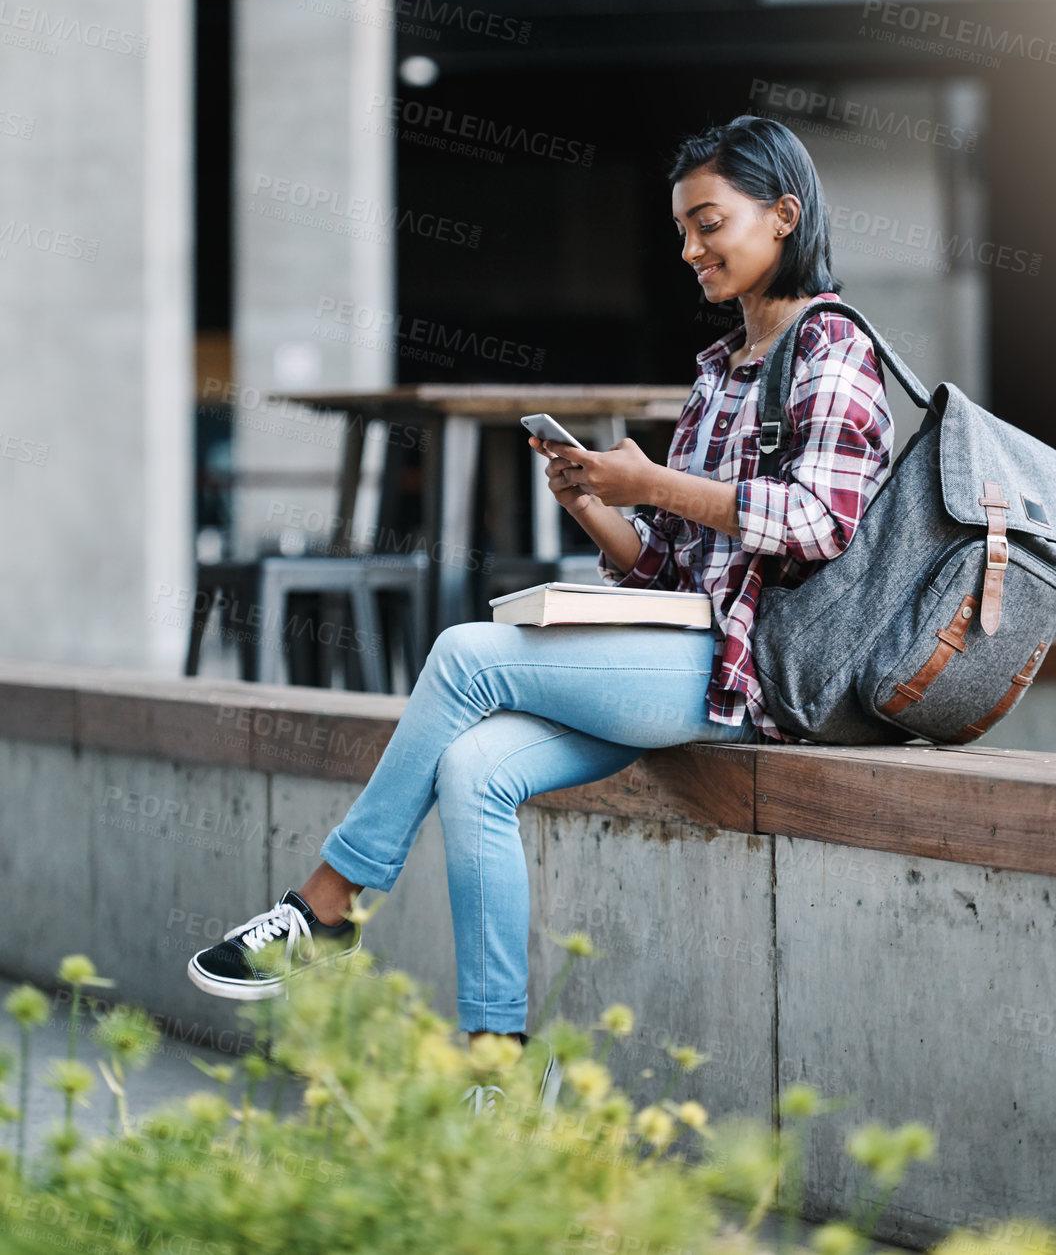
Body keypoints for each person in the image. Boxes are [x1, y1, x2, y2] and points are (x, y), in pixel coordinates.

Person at [185, 113, 894, 1085]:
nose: (689, 249)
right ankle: (500, 1067)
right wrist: (601, 505)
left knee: (465, 654)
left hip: (756, 679)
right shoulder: (716, 372)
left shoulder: (834, 349)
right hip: (684, 658)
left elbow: (821, 522)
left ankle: (325, 904)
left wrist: (654, 485)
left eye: (709, 223)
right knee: (476, 767)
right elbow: (666, 569)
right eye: (681, 229)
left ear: (783, 215)